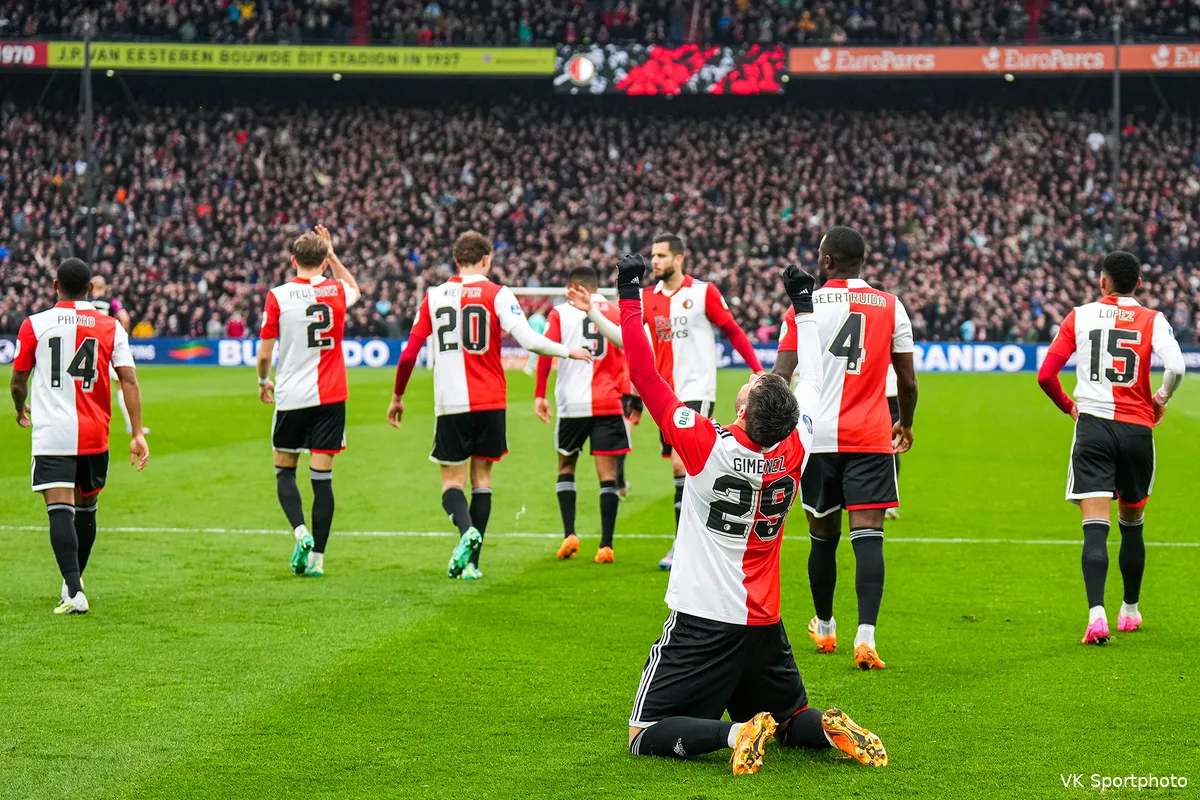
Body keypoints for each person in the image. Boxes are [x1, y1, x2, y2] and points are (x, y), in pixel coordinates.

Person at [619, 254, 887, 775]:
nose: (752, 378)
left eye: (751, 384)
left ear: (742, 411)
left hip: (703, 619)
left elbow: (643, 372)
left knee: (642, 733)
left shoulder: (704, 445)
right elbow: (813, 377)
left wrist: (629, 294)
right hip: (763, 621)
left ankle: (738, 732)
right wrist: (803, 306)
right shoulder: (796, 447)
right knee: (791, 718)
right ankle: (830, 729)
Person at [388, 231, 592, 580]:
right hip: (491, 401)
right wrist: (566, 350)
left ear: (457, 260)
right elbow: (528, 339)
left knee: (451, 484)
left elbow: (408, 354)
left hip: (451, 402)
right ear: (486, 259)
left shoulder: (434, 297)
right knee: (482, 479)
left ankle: (465, 531)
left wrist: (398, 396)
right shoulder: (497, 293)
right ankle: (472, 565)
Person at [772, 226, 917, 670]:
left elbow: (781, 372)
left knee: (823, 537)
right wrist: (905, 425)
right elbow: (908, 382)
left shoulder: (805, 305)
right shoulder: (891, 306)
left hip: (815, 438)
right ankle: (866, 636)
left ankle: (826, 625)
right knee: (869, 537)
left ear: (827, 261)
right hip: (871, 437)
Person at [1037, 251, 1186, 645]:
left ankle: (1096, 615)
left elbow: (1046, 374)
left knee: (1095, 529)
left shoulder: (1079, 316)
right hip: (1137, 431)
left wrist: (1071, 407)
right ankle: (1131, 610)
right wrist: (1161, 398)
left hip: (1093, 429)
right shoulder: (1153, 320)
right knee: (1132, 523)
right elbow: (1177, 368)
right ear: (1138, 283)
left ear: (1103, 282)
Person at [9, 258, 150, 615]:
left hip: (52, 431)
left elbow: (18, 380)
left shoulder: (34, 324)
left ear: (55, 285)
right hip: (93, 432)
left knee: (59, 509)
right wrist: (136, 433)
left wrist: (19, 406)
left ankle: (74, 590)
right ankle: (74, 584)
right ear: (91, 288)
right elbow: (129, 380)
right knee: (86, 510)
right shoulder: (111, 327)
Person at [641, 232, 764, 570]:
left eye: (661, 256)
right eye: (653, 256)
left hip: (696, 389)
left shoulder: (702, 292)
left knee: (682, 463)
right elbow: (632, 341)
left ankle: (682, 544)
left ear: (679, 259)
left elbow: (733, 330)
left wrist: (757, 369)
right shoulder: (646, 298)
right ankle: (699, 538)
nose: (654, 261)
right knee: (683, 468)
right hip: (665, 395)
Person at [257, 226, 359, 578]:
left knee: (285, 470)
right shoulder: (337, 290)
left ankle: (299, 531)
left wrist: (262, 381)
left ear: (293, 259)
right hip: (331, 397)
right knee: (323, 480)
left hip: (292, 396)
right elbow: (355, 288)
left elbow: (264, 354)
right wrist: (334, 257)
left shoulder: (279, 295)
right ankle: (317, 558)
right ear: (323, 260)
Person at [534, 266, 630, 563]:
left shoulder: (560, 313)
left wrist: (539, 394)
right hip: (607, 403)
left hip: (571, 405)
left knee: (566, 467)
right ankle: (606, 545)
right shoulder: (613, 311)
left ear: (573, 287)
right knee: (608, 477)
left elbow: (546, 350)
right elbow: (628, 354)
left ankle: (570, 535)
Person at [90, 274, 149, 436]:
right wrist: (122, 337)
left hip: (87, 347)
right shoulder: (112, 302)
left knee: (89, 386)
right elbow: (125, 318)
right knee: (122, 385)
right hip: (107, 346)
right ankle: (131, 425)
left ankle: (89, 423)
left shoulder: (86, 303)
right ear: (105, 287)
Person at [869, 280, 901, 521]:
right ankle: (888, 502)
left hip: (875, 387)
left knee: (872, 444)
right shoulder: (892, 315)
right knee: (890, 446)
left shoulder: (866, 317)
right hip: (891, 386)